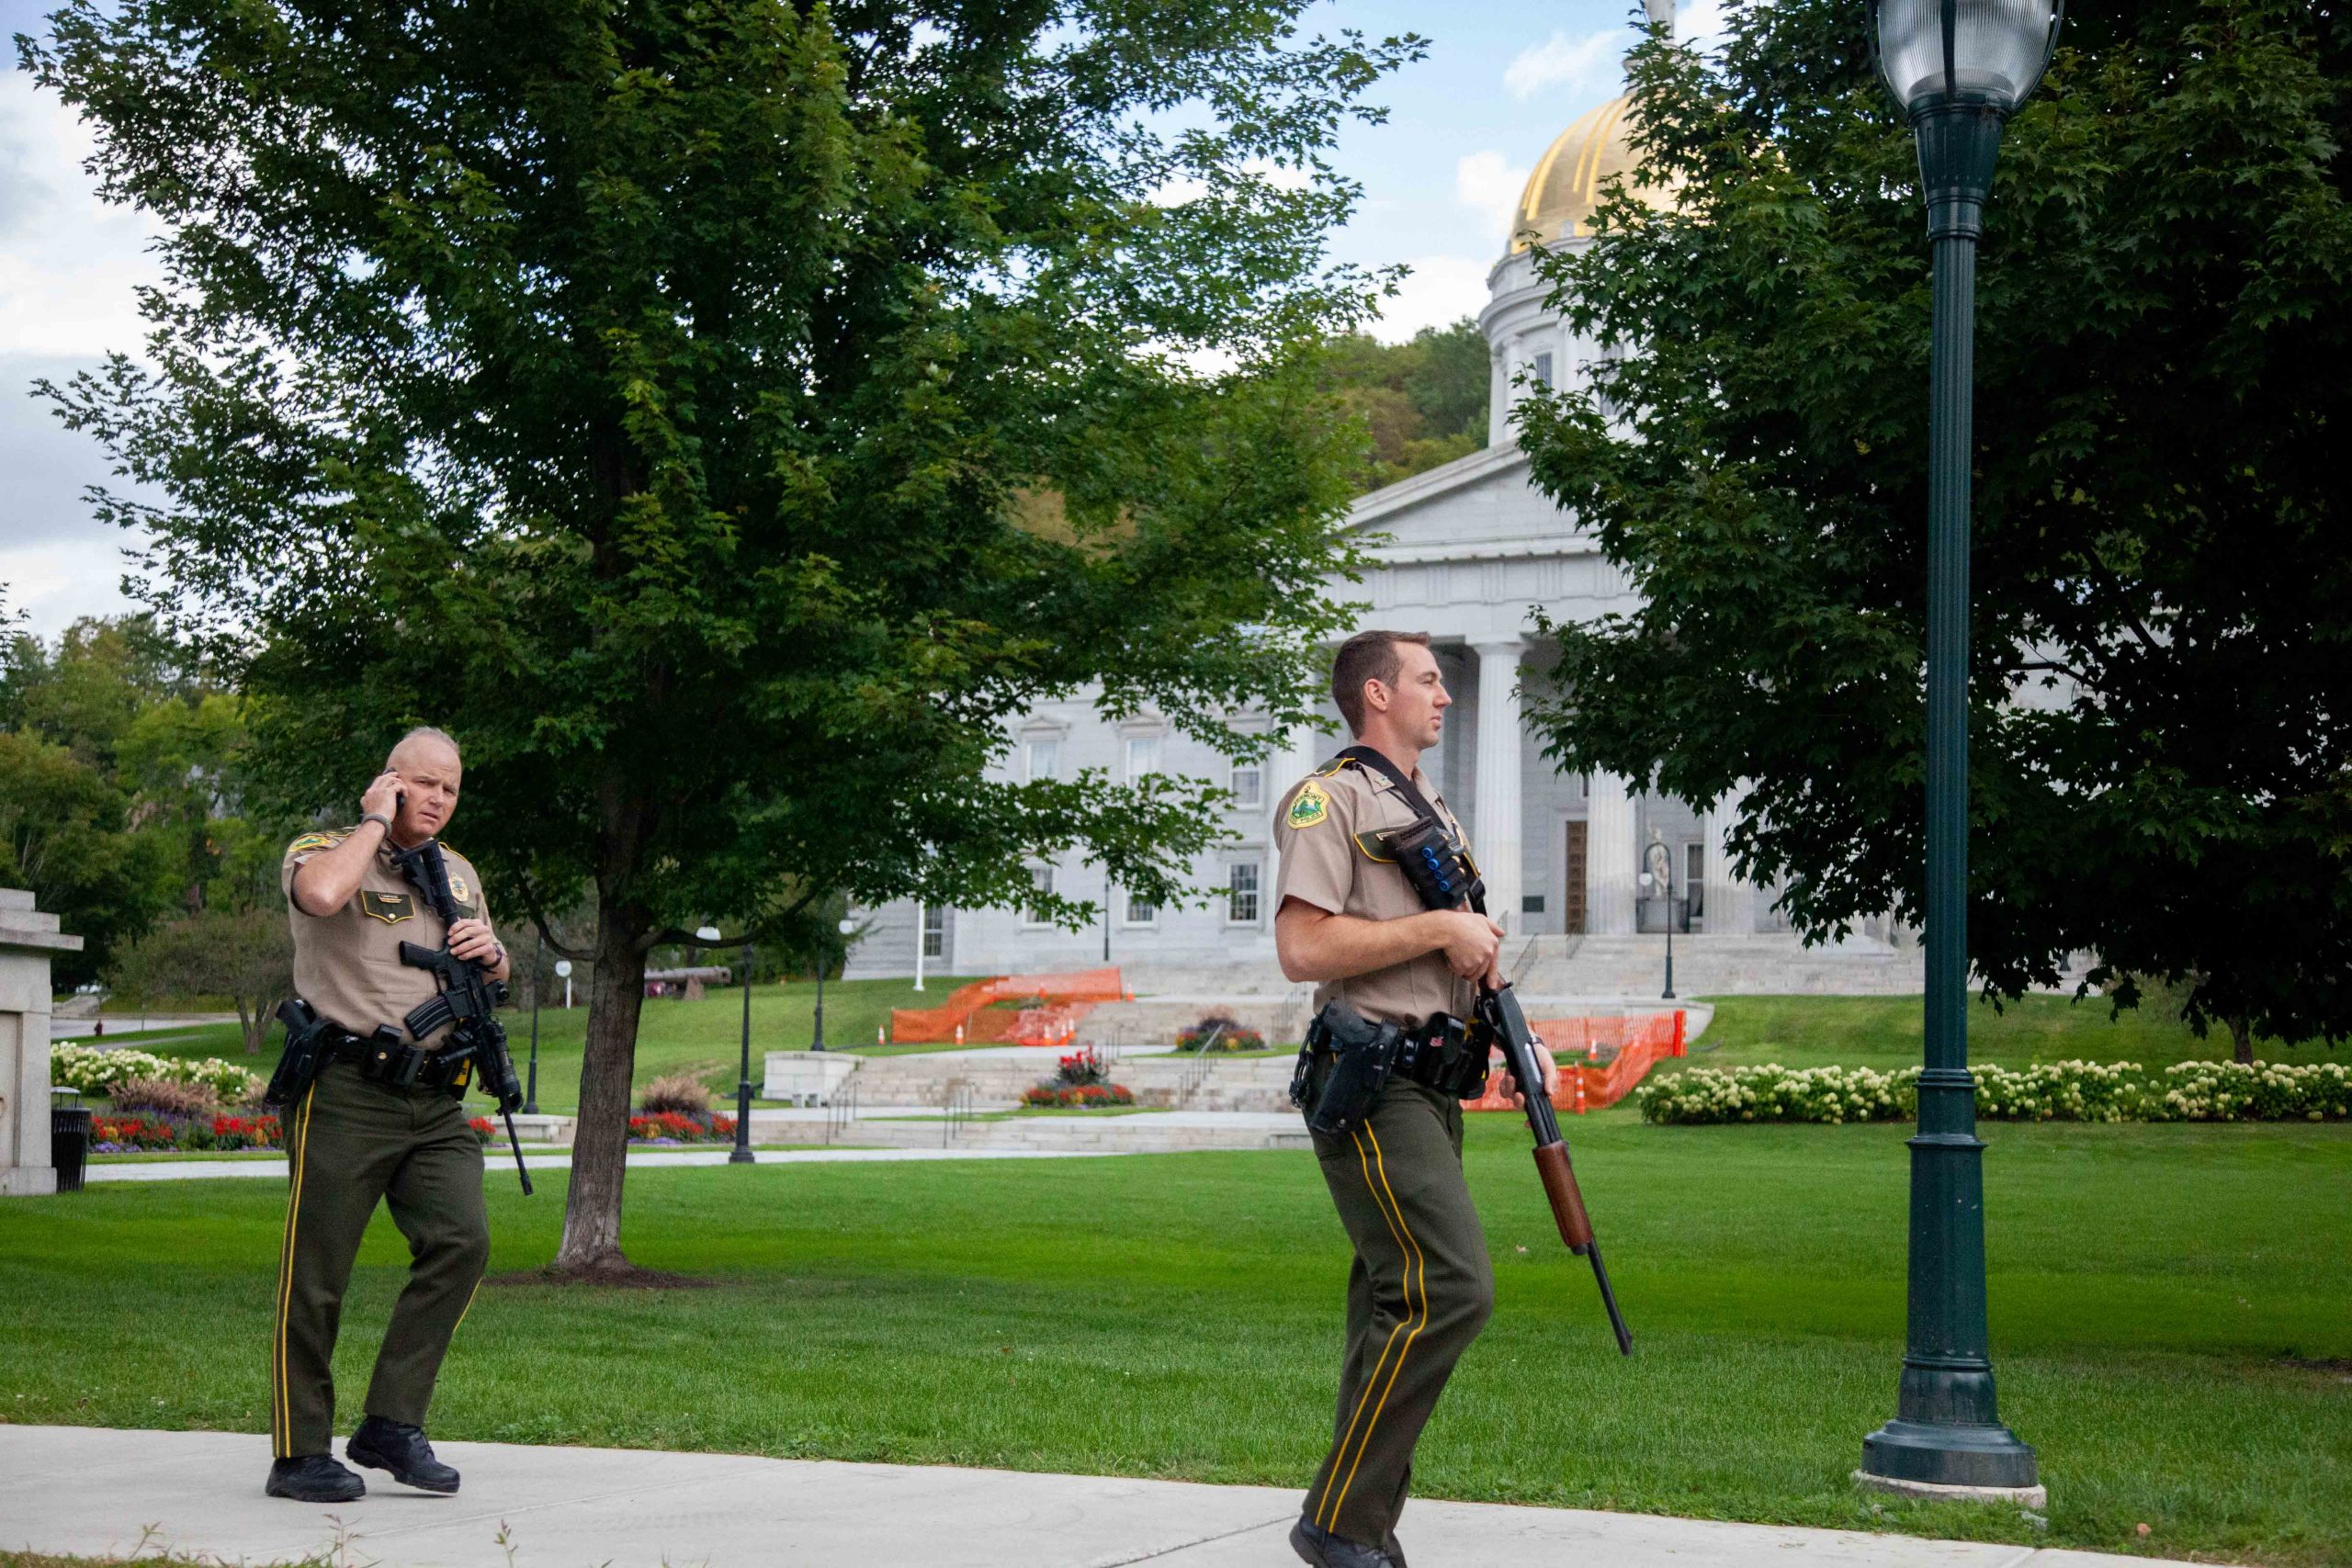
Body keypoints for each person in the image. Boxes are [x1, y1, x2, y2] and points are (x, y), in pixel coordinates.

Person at [1272, 630, 1557, 1568]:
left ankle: (1361, 1528)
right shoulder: (1332, 800)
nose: (1444, 696)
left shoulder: (1425, 804)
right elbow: (1303, 950)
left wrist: (1523, 1041)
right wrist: (1440, 925)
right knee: (1450, 1289)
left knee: (1392, 1307)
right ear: (1376, 693)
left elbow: (1458, 952)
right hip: (1371, 1084)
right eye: (1429, 681)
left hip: (1431, 1084)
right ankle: (1338, 1526)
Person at [265, 727, 510, 1503]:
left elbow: (496, 974)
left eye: (451, 788)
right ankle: (299, 1452)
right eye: (423, 783)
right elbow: (322, 896)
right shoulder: (326, 847)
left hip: (434, 1099)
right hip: (345, 1091)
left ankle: (391, 1424)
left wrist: (492, 952)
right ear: (389, 781)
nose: (437, 799)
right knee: (319, 1273)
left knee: (462, 1240)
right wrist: (373, 822)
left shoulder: (460, 873)